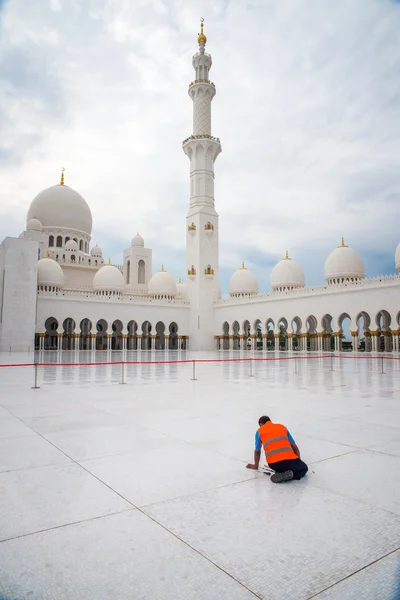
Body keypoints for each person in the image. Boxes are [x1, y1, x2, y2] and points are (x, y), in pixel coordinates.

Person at [246, 415, 308, 483]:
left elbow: (257, 451)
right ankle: (292, 475)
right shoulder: (282, 427)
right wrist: (297, 462)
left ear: (261, 424)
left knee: (281, 467)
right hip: (290, 460)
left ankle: (280, 472)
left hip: (274, 464)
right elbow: (294, 447)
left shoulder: (259, 431)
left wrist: (256, 465)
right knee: (304, 468)